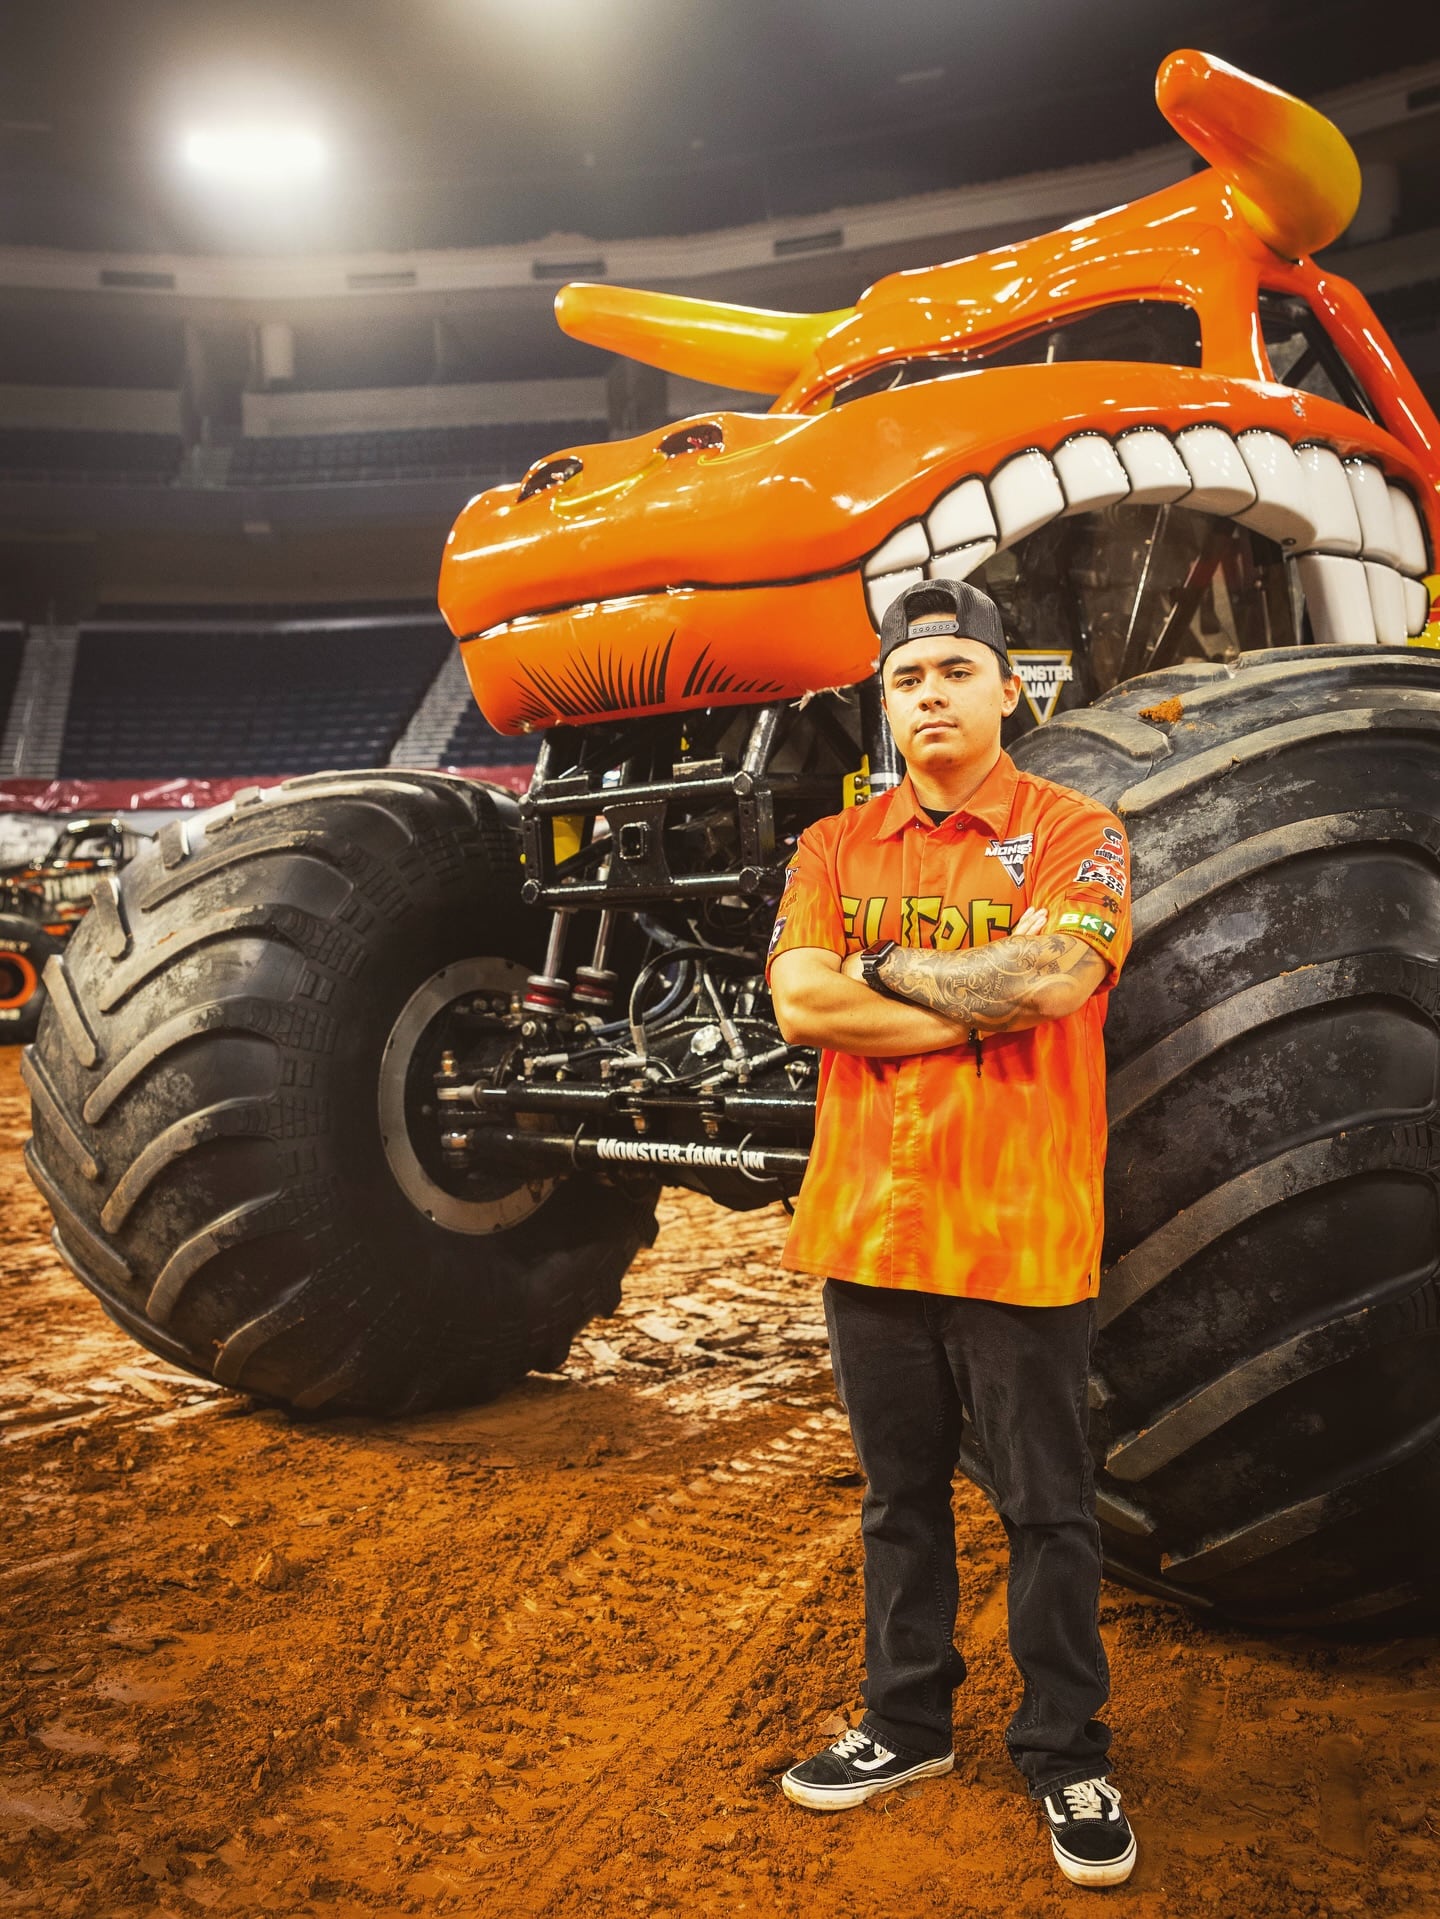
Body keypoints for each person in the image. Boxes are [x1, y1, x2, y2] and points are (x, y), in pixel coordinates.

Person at [765, 577, 1136, 1889]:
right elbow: (802, 1003)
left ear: (1006, 689)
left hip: (1018, 1228)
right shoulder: (834, 848)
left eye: (954, 674)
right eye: (908, 678)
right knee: (899, 1504)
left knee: (1048, 1507)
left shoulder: (1074, 828)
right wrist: (970, 1004)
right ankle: (905, 1723)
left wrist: (881, 975)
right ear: (886, 701)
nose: (930, 695)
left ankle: (1066, 1752)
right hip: (869, 1227)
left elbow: (1056, 975)